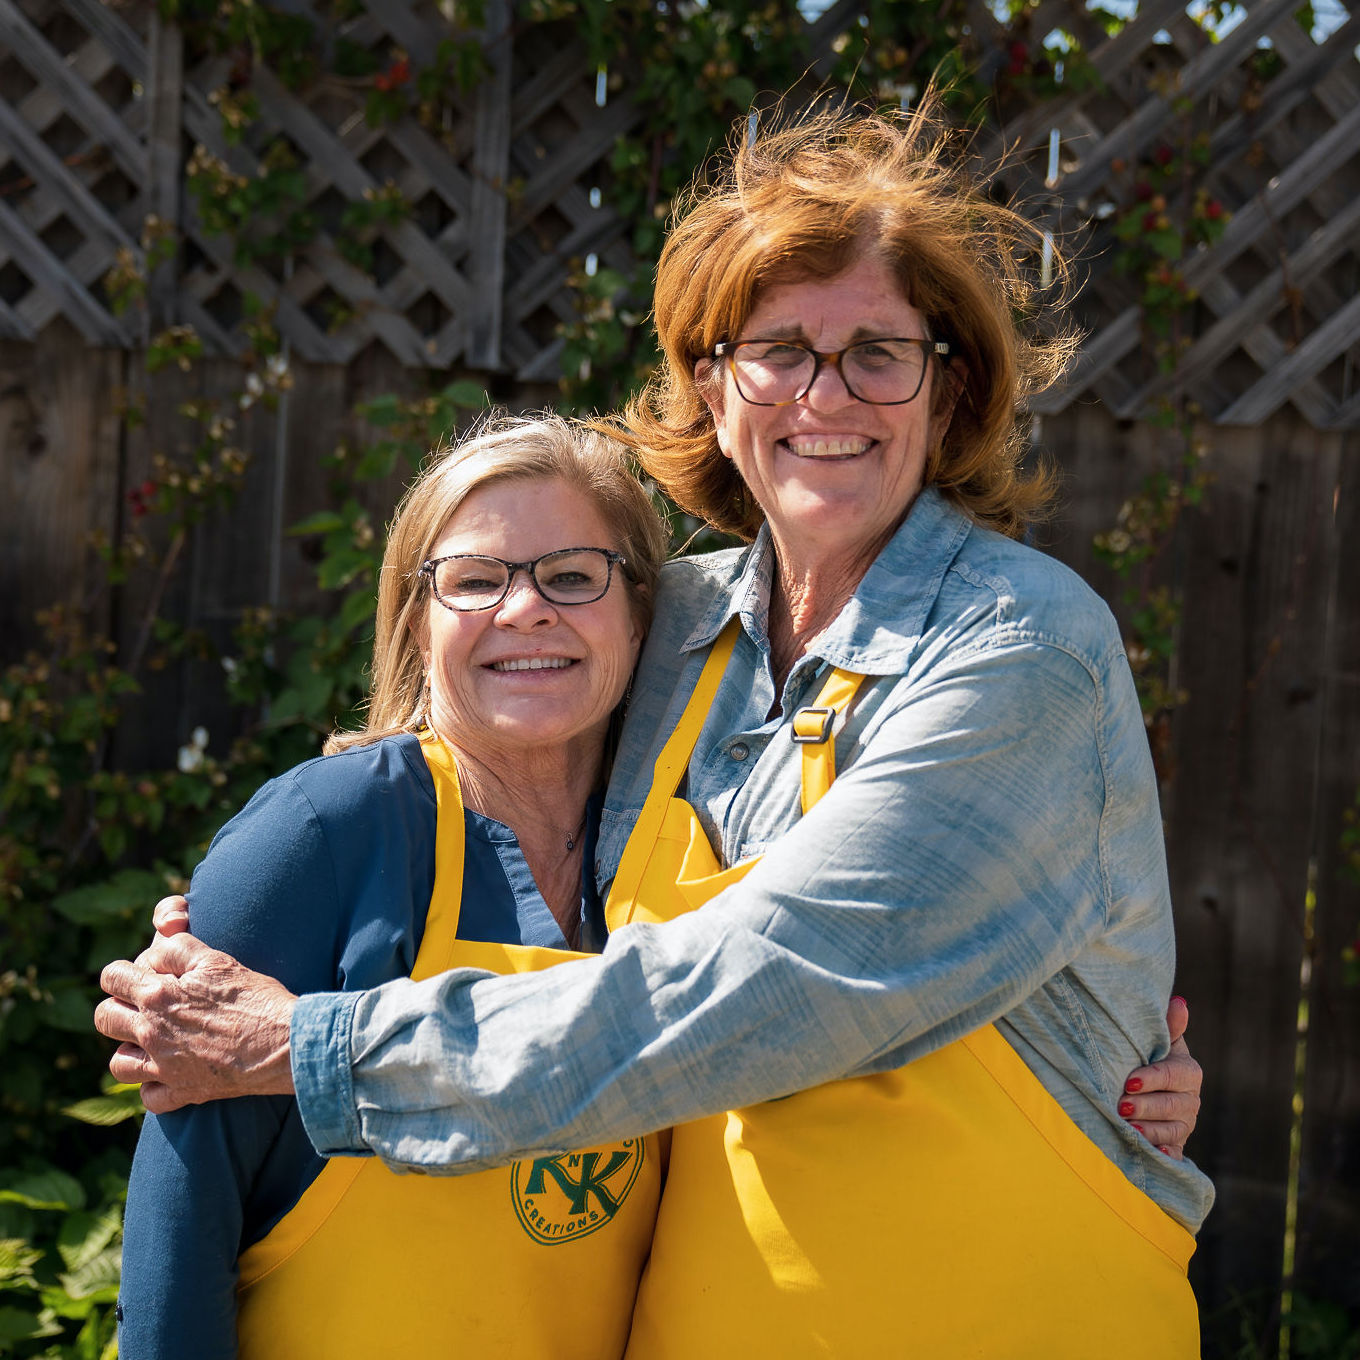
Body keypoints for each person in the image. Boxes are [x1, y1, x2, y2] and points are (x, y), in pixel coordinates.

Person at [100, 94, 1212, 1356]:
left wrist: (308, 1045)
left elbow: (767, 989)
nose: (823, 393)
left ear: (947, 394)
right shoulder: (674, 629)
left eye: (878, 353)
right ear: (711, 385)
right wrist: (327, 841)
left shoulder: (1018, 652)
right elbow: (509, 696)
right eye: (777, 349)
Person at [115, 415, 671, 1359]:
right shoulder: (323, 835)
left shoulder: (682, 855)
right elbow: (177, 1232)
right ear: (416, 620)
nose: (526, 609)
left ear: (642, 611)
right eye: (476, 580)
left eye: (573, 575)